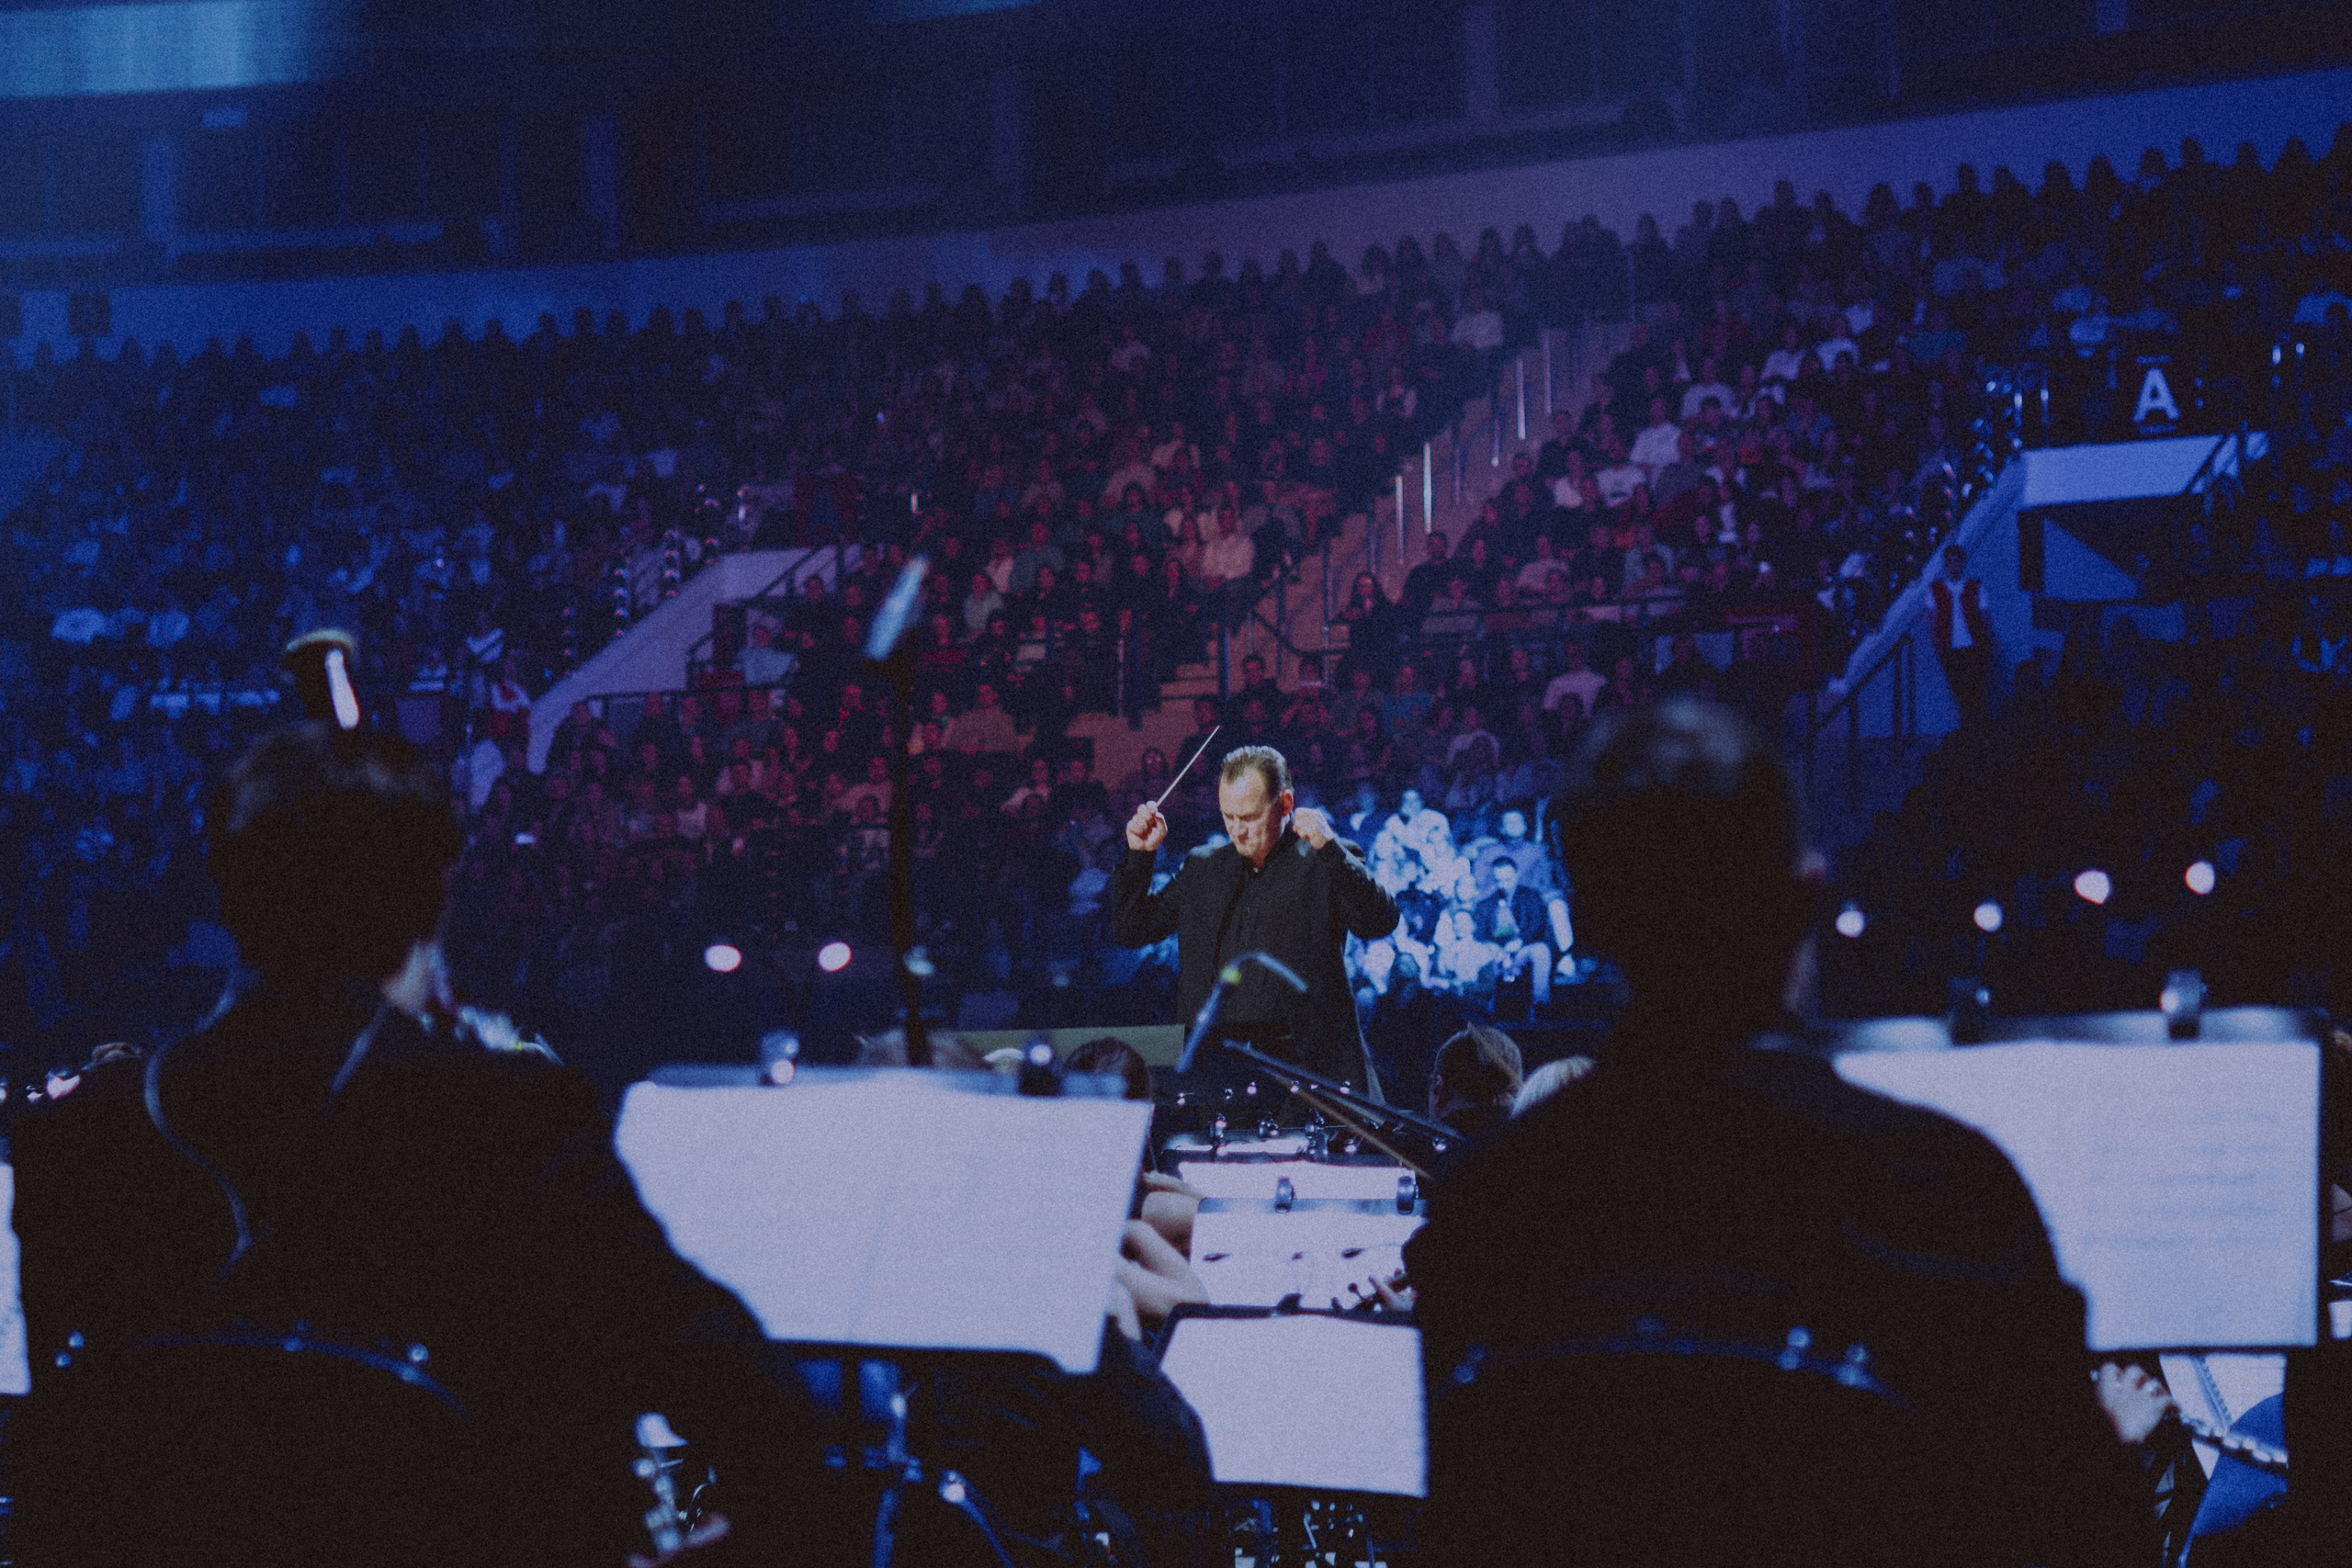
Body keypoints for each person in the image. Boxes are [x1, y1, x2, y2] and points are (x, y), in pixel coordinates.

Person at [9, 705, 842, 1568]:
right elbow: (749, 1409)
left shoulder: (76, 1140)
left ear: (230, 898)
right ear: (430, 899)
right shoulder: (508, 1118)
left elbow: (66, 1467)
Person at [1403, 701, 2159, 1566]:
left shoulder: (1490, 1205)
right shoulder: (1945, 1187)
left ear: (1594, 920)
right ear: (1805, 896)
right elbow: (2082, 1531)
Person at [1109, 745, 1398, 1095]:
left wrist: (1332, 850)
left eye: (1248, 817)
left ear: (1286, 805)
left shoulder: (1326, 859)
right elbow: (1131, 928)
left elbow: (1379, 921)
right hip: (1216, 1069)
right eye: (1227, 816)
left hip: (1306, 1074)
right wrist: (1140, 856)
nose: (1237, 830)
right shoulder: (1203, 867)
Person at [1930, 543, 1993, 724]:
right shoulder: (1935, 589)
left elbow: (1985, 616)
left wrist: (1987, 643)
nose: (1953, 566)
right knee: (1959, 692)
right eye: (1949, 562)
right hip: (1950, 648)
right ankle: (1966, 731)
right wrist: (1938, 645)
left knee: (1978, 692)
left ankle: (1978, 731)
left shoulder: (1975, 586)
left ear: (1962, 563)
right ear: (1945, 565)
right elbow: (1932, 620)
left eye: (1956, 561)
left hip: (1975, 646)